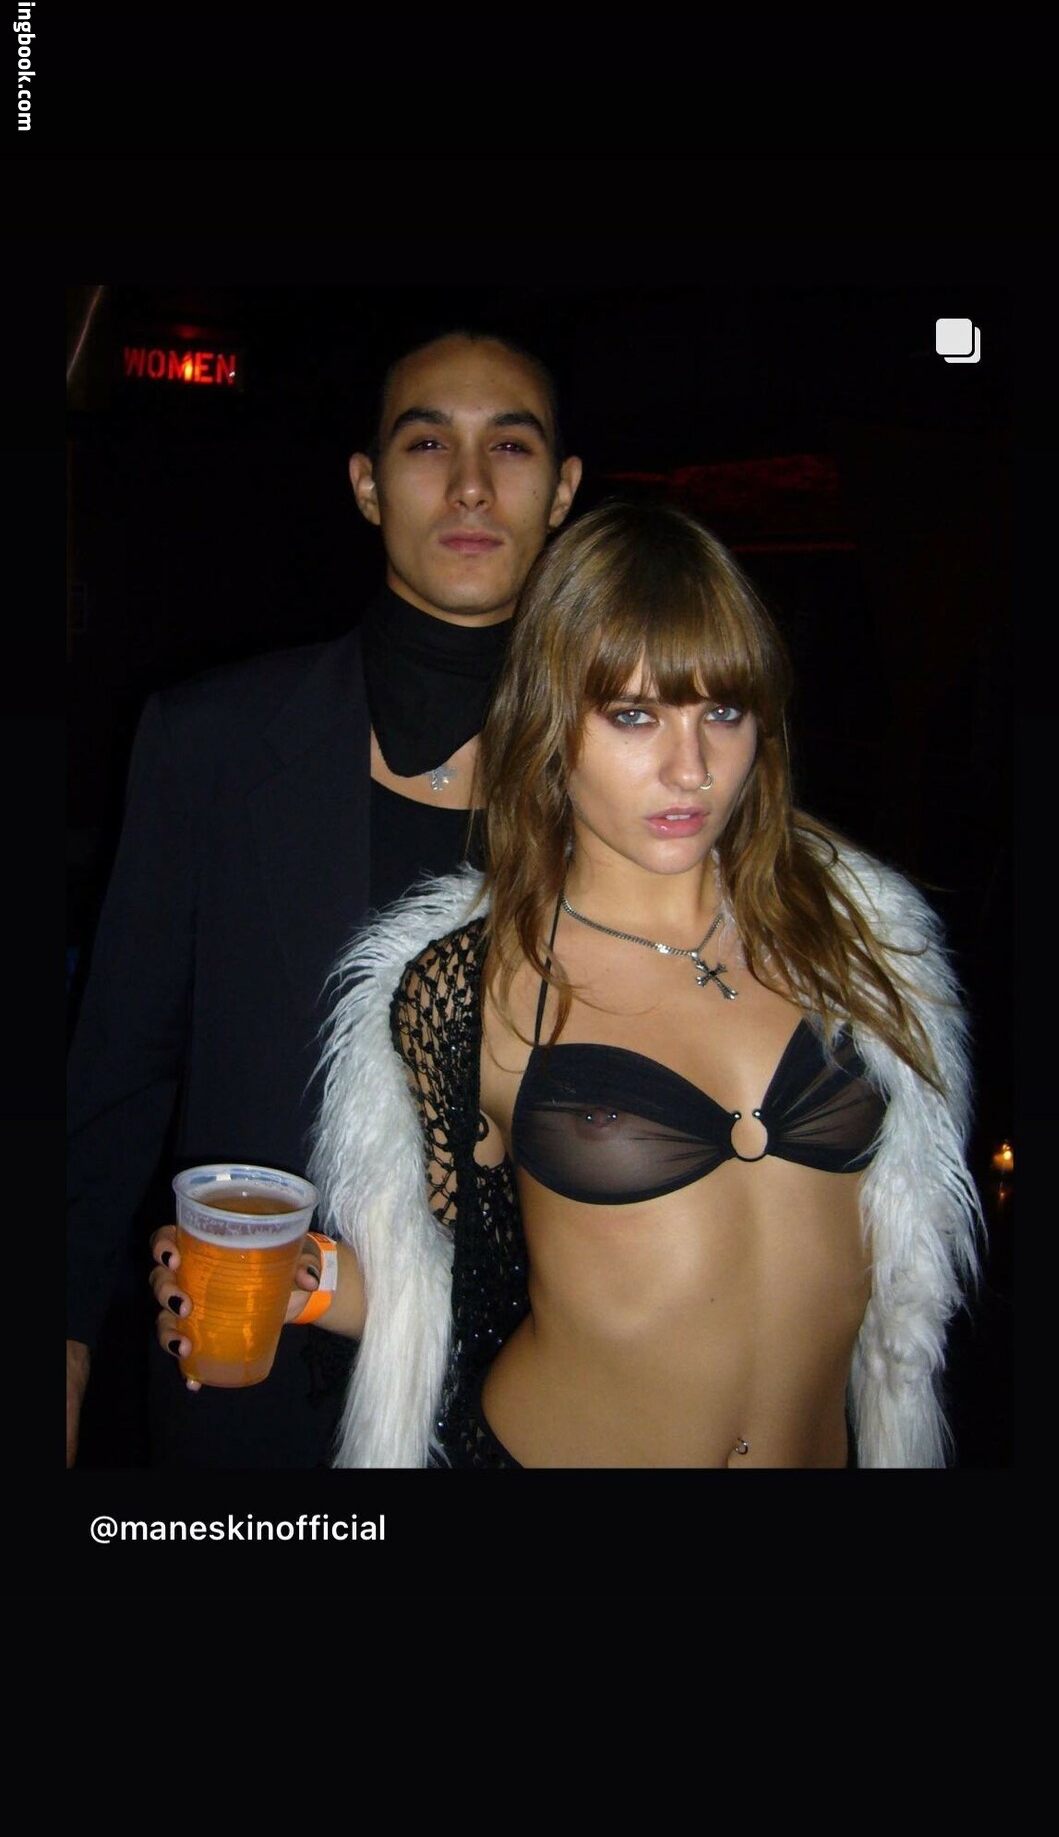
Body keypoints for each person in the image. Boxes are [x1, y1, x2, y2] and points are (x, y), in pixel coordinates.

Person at [152, 499, 985, 1469]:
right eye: (634, 715)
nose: (690, 768)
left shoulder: (853, 942)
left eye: (722, 711)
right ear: (549, 721)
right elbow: (460, 1290)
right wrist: (308, 1280)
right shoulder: (472, 985)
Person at [67, 323, 583, 1468]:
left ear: (562, 491)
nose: (469, 484)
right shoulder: (210, 741)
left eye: (510, 446)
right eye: (424, 444)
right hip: (252, 1388)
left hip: (526, 1402)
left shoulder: (623, 778)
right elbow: (116, 1070)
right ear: (365, 485)